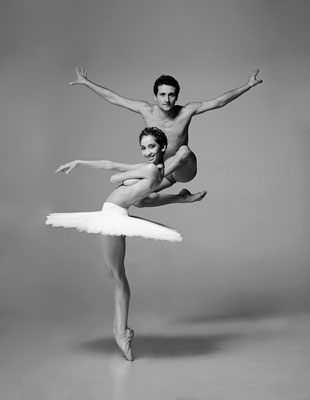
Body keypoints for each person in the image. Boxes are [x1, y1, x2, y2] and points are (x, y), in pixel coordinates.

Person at [46, 127, 206, 361]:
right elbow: (119, 176)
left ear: (162, 147)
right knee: (117, 276)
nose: (147, 151)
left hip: (114, 215)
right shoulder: (154, 171)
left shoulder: (152, 170)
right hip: (115, 214)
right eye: (143, 147)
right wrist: (80, 161)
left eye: (152, 146)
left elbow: (121, 181)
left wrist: (130, 177)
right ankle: (120, 330)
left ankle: (121, 332)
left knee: (117, 277)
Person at [70, 66, 262, 203]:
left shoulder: (186, 111)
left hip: (184, 168)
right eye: (162, 95)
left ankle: (151, 175)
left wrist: (248, 85)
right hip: (164, 170)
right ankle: (182, 198)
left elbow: (219, 102)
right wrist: (87, 83)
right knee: (138, 200)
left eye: (171, 95)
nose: (167, 99)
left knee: (184, 150)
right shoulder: (146, 110)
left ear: (177, 96)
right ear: (155, 96)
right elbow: (114, 99)